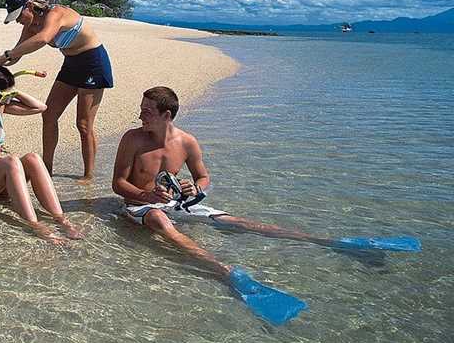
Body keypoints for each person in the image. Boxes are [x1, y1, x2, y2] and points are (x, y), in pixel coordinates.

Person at [112, 86, 420, 323]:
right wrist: (146, 196)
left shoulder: (187, 142)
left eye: (147, 111)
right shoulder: (133, 139)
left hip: (177, 201)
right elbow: (119, 185)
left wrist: (196, 189)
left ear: (167, 115)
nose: (141, 116)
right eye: (142, 110)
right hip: (142, 206)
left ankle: (335, 243)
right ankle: (228, 272)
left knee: (237, 222)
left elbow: (203, 177)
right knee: (163, 224)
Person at [0, 0, 113, 183]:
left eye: (18, 15)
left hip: (93, 63)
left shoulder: (56, 13)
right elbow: (17, 54)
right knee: (49, 114)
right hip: (71, 64)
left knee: (84, 124)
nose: (18, 20)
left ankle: (88, 175)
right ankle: (47, 168)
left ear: (29, 6)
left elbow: (44, 38)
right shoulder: (29, 24)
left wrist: (7, 55)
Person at [0, 66, 82, 242]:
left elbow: (41, 107)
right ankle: (36, 225)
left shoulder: (0, 108)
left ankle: (61, 219)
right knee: (11, 161)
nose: (5, 98)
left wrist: (15, 93)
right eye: (2, 94)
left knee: (32, 158)